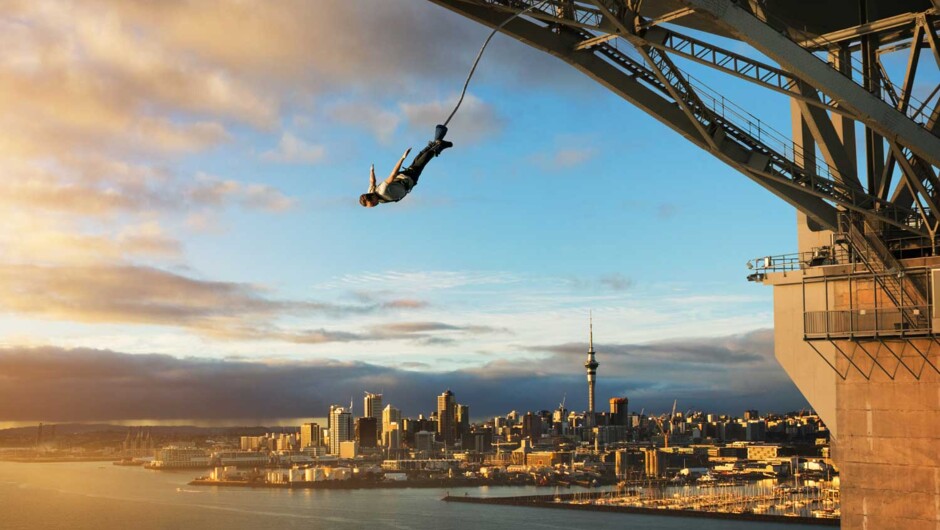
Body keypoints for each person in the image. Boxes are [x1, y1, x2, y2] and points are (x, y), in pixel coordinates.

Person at [359, 125, 453, 207]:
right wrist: (371, 171)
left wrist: (402, 158)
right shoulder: (371, 192)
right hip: (406, 179)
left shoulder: (382, 191)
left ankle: (438, 144)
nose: (375, 205)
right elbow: (372, 181)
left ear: (372, 197)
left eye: (373, 204)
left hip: (409, 177)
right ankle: (437, 144)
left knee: (423, 159)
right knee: (420, 158)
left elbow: (393, 174)